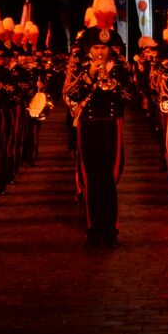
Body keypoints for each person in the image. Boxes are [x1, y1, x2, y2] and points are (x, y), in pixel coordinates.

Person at [65, 12, 132, 248]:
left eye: (104, 48)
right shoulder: (79, 67)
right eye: (96, 48)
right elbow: (69, 95)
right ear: (89, 50)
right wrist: (91, 75)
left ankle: (111, 229)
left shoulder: (120, 68)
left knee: (109, 179)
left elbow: (131, 95)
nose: (100, 52)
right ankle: (94, 228)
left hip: (111, 124)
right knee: (91, 179)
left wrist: (115, 84)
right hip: (89, 124)